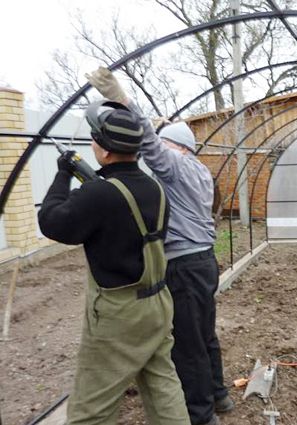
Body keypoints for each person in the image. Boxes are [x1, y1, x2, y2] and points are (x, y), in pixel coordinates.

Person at [86, 67, 233, 425]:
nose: (157, 149)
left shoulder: (175, 166)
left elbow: (151, 143)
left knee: (187, 344)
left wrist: (123, 100)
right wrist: (166, 127)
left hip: (182, 268)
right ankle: (220, 396)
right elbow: (161, 142)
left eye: (164, 143)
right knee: (204, 334)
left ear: (175, 146)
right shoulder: (198, 168)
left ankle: (201, 416)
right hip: (204, 263)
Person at [38, 100, 191, 424]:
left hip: (120, 315)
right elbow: (118, 210)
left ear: (104, 151)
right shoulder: (155, 189)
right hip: (158, 303)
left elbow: (52, 222)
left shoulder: (99, 195)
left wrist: (64, 174)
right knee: (163, 386)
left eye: (95, 138)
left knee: (92, 407)